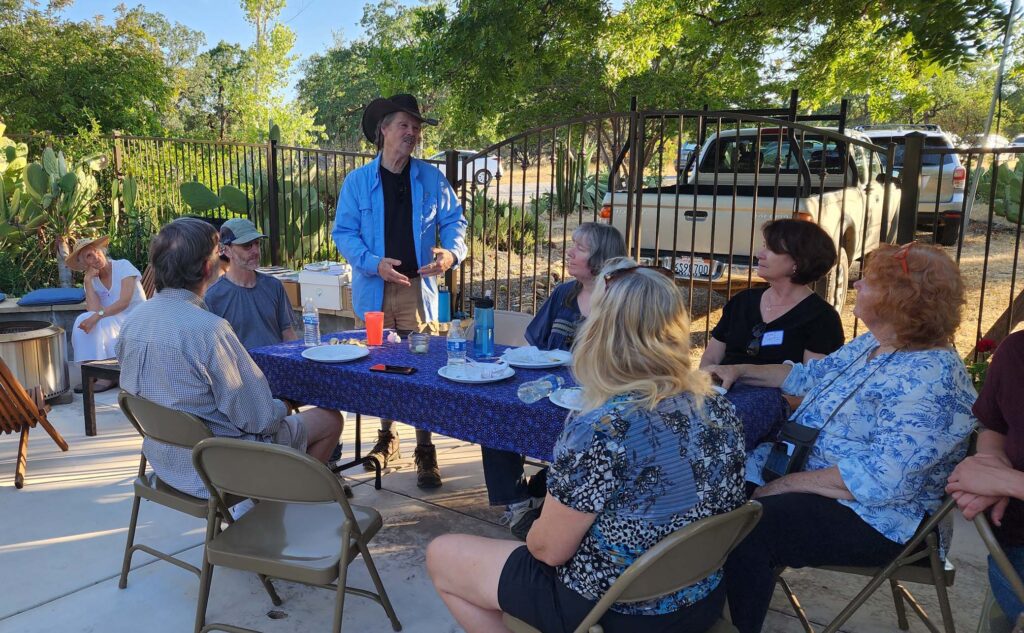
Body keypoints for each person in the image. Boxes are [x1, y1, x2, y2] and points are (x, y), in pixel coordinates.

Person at [427, 259, 747, 633]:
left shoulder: (601, 428)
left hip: (616, 610)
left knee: (442, 555)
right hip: (699, 599)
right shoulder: (720, 407)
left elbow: (547, 550)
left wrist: (538, 521)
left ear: (600, 333)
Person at [708, 242, 976, 633]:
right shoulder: (876, 343)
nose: (856, 283)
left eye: (867, 281)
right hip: (812, 476)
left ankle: (732, 626)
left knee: (749, 528)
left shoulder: (929, 378)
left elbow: (884, 480)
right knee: (707, 489)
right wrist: (739, 369)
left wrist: (781, 486)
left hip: (881, 517)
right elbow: (809, 377)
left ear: (897, 300)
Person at [116, 218, 343, 499]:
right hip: (220, 468)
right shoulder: (209, 330)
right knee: (330, 419)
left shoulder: (132, 322)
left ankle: (270, 502)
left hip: (166, 462)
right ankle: (282, 506)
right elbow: (259, 420)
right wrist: (285, 404)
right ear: (207, 267)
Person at [333, 93, 467, 489]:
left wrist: (451, 254)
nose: (412, 133)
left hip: (417, 287)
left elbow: (455, 221)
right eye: (404, 125)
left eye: (416, 127)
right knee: (380, 367)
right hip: (374, 289)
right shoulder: (357, 182)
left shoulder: (430, 178)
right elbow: (344, 233)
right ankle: (387, 438)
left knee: (421, 369)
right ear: (383, 131)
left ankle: (425, 448)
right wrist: (373, 262)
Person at [482, 222, 627, 540]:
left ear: (602, 259)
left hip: (596, 397)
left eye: (581, 248)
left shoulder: (621, 302)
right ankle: (519, 503)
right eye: (571, 244)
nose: (570, 252)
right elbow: (534, 346)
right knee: (493, 408)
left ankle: (543, 488)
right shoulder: (565, 294)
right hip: (550, 391)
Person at [946, 330, 1024, 622]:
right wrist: (992, 461)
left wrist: (1007, 482)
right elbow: (995, 426)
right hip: (1016, 542)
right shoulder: (1017, 352)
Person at [700, 219, 844, 368]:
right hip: (721, 389)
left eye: (772, 249)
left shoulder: (822, 318)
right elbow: (710, 358)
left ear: (799, 261)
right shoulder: (742, 302)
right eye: (764, 246)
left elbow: (810, 381)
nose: (759, 254)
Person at [67, 236, 147, 393]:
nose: (96, 257)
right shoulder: (92, 279)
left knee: (103, 322)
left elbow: (124, 302)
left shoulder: (123, 266)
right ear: (84, 264)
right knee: (81, 320)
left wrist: (98, 316)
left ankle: (107, 376)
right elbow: (92, 310)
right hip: (113, 320)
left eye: (96, 251)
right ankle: (89, 370)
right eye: (89, 256)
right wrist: (88, 281)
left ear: (102, 251)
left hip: (137, 319)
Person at [204, 218, 297, 350]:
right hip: (239, 369)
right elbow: (214, 349)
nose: (255, 251)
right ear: (226, 250)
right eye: (247, 245)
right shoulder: (213, 296)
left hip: (277, 366)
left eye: (257, 243)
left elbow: (288, 333)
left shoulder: (274, 286)